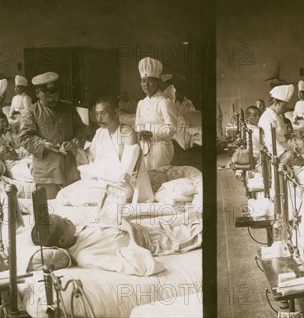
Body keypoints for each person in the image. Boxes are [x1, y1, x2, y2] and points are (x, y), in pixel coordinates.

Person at [32, 213, 202, 276]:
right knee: (200, 233)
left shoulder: (80, 231)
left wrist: (125, 225)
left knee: (195, 216)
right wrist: (131, 233)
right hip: (153, 241)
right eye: (65, 221)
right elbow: (133, 265)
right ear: (62, 241)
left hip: (145, 228)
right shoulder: (85, 256)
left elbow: (107, 220)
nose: (69, 218)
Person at [56, 97, 154, 206]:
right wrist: (74, 148)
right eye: (96, 114)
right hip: (100, 181)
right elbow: (89, 161)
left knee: (78, 198)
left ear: (116, 112)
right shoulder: (100, 133)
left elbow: (125, 174)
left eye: (103, 114)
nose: (99, 119)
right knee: (63, 194)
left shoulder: (127, 133)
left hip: (121, 186)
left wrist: (102, 176)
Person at [19, 72, 87, 199]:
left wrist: (75, 139)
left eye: (55, 94)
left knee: (72, 208)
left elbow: (81, 127)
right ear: (37, 93)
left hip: (70, 170)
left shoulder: (68, 108)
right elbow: (24, 138)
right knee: (48, 210)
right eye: (47, 94)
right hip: (46, 173)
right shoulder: (31, 112)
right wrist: (43, 145)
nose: (52, 98)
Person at [135, 58, 178, 170]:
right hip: (144, 146)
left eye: (150, 81)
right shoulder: (141, 103)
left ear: (157, 82)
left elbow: (172, 128)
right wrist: (140, 133)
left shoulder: (164, 102)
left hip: (161, 147)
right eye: (143, 81)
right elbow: (138, 124)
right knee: (145, 177)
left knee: (159, 176)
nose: (146, 85)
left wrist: (151, 133)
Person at [258, 84, 295, 156]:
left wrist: (291, 139)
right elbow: (271, 142)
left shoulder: (278, 116)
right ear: (275, 103)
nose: (285, 108)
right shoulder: (267, 118)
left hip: (286, 150)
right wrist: (285, 155)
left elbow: (282, 135)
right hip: (277, 155)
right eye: (283, 106)